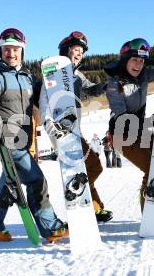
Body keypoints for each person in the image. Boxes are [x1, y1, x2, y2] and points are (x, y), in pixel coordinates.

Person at [0, 28, 68, 242]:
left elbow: (45, 96)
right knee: (37, 181)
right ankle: (50, 227)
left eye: (15, 49)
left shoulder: (28, 78)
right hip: (8, 140)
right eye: (7, 49)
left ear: (22, 51)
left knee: (10, 183)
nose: (11, 54)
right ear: (0, 51)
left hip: (22, 141)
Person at [39, 31, 113, 222]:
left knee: (91, 168)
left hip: (75, 131)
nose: (79, 54)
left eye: (81, 51)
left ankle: (92, 206)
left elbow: (90, 89)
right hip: (60, 131)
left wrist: (106, 86)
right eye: (75, 49)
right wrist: (49, 125)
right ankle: (84, 204)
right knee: (89, 168)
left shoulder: (78, 75)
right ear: (65, 50)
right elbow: (44, 101)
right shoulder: (52, 73)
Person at [104, 38, 154, 225]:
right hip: (122, 134)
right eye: (134, 60)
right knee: (152, 168)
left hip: (142, 131)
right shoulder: (115, 84)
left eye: (142, 61)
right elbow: (122, 119)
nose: (138, 65)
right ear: (125, 60)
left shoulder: (144, 75)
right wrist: (151, 121)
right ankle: (151, 211)